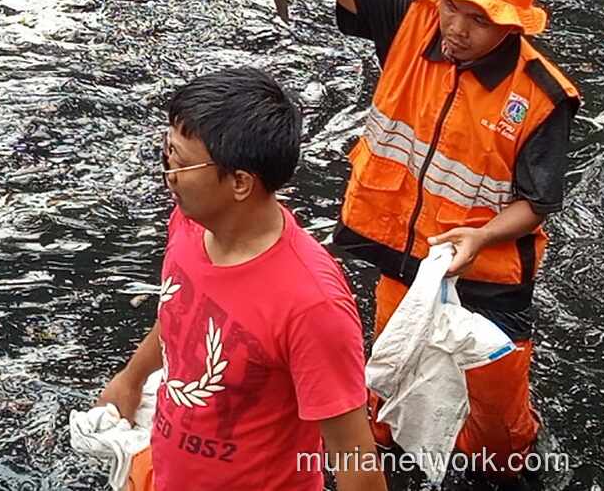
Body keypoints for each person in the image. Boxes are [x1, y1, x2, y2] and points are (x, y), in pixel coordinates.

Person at [280, 0, 580, 481]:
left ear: (512, 25)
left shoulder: (542, 96)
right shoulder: (411, 22)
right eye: (452, 5)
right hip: (406, 262)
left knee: (497, 433)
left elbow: (538, 202)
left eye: (480, 18)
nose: (457, 28)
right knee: (388, 394)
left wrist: (480, 237)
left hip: (490, 280)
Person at [95, 68, 386, 491]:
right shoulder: (189, 224)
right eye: (166, 152)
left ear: (240, 182)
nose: (167, 174)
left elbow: (356, 463)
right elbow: (181, 315)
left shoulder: (312, 305)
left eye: (181, 162)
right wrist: (131, 378)